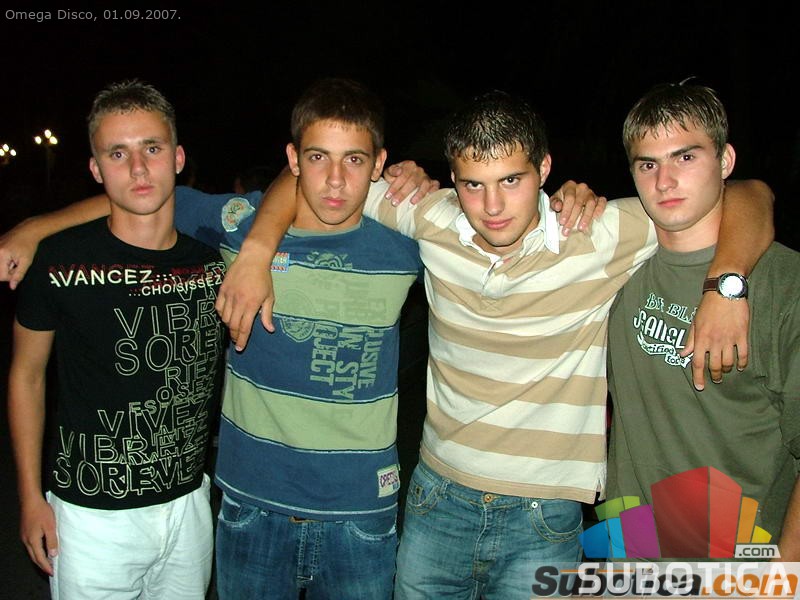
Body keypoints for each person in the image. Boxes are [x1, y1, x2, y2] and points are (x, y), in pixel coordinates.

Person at [218, 89, 774, 599]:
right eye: (473, 184)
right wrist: (256, 252)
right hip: (437, 498)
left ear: (544, 170)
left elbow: (748, 193)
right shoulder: (431, 217)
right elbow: (315, 174)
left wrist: (727, 283)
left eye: (511, 180)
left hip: (546, 513)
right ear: (453, 180)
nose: (492, 206)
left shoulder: (598, 232)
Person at [0, 77, 440, 599]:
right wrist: (34, 227)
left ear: (378, 162)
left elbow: (483, 224)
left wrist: (419, 179)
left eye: (355, 160)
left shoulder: (405, 241)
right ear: (293, 160)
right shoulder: (237, 224)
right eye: (318, 157)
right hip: (249, 506)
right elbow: (146, 196)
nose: (336, 180)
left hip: (359, 510)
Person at [7, 80, 227, 598]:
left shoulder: (215, 263)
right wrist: (30, 497)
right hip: (91, 518)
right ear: (96, 169)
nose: (138, 168)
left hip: (189, 505)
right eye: (118, 153)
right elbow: (26, 377)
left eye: (152, 148)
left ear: (177, 158)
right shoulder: (57, 263)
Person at [605, 81, 799, 560]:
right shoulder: (615, 265)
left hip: (740, 567)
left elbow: (756, 194)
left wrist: (783, 578)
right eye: (647, 164)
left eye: (685, 157)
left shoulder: (784, 283)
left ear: (725, 161)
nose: (664, 181)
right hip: (632, 560)